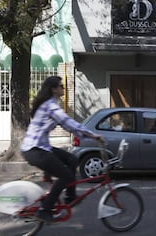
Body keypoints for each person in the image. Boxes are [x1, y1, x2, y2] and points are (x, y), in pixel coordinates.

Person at [21, 76, 102, 223]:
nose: (63, 88)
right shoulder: (51, 106)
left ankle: (70, 196)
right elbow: (69, 123)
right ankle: (44, 210)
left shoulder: (51, 103)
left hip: (41, 147)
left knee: (72, 159)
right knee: (66, 176)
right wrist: (93, 135)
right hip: (35, 150)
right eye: (61, 86)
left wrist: (87, 136)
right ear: (54, 89)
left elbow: (66, 126)